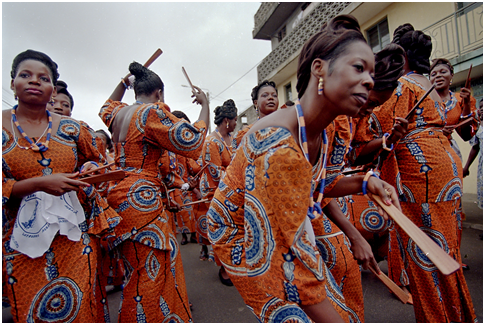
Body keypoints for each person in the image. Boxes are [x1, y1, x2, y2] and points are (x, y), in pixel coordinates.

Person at [207, 15, 401, 322]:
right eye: (358, 68)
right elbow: (290, 264)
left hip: (287, 233)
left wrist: (366, 183)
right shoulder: (277, 146)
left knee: (342, 298)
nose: (369, 81)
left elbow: (320, 188)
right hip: (243, 238)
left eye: (372, 73)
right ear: (319, 68)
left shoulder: (326, 131)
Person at [365, 23, 476, 322]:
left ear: (402, 56)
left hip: (422, 172)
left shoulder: (402, 86)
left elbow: (370, 123)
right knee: (445, 251)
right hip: (445, 166)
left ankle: (438, 318)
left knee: (426, 253)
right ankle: (456, 314)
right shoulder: (432, 91)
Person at [2, 49, 118, 322]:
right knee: (34, 309)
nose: (34, 82)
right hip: (22, 241)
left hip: (74, 237)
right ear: (12, 83)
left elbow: (101, 162)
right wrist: (40, 183)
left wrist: (89, 170)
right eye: (25, 75)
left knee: (80, 306)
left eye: (43, 78)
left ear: (52, 90)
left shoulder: (73, 128)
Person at [99, 61, 209, 322]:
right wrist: (204, 104)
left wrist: (124, 83)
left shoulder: (118, 115)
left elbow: (105, 106)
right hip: (142, 200)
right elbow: (193, 141)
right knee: (149, 275)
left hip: (120, 196)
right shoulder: (150, 113)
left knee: (136, 273)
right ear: (159, 93)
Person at [196, 99, 237, 285]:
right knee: (223, 231)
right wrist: (240, 176)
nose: (236, 123)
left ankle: (233, 265)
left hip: (232, 189)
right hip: (215, 193)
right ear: (227, 121)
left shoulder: (232, 139)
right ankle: (224, 269)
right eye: (235, 120)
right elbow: (214, 171)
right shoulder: (212, 141)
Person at [429, 58, 478, 160]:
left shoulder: (459, 100)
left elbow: (466, 136)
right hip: (428, 150)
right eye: (433, 74)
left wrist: (467, 103)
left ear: (451, 75)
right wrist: (437, 131)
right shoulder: (424, 100)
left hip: (450, 152)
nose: (438, 75)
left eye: (443, 72)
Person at [233, 80, 279, 148]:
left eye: (274, 95)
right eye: (265, 95)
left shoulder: (289, 126)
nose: (271, 98)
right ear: (256, 103)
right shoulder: (244, 134)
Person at [463, 98, 483, 209]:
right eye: (481, 107)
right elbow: (475, 147)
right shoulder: (479, 128)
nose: (483, 109)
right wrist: (466, 167)